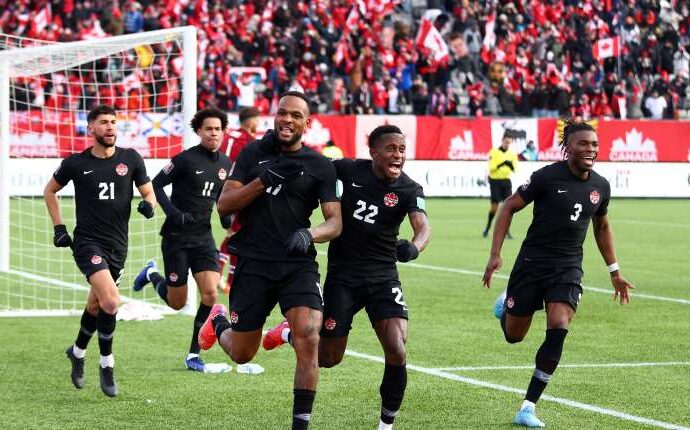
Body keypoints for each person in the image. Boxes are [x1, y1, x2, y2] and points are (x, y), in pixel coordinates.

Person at [262, 125, 431, 430]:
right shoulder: (347, 170)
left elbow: (423, 228)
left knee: (397, 348)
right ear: (374, 152)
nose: (398, 155)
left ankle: (386, 425)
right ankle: (288, 334)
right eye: (391, 149)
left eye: (402, 150)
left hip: (384, 278)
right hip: (344, 279)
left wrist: (414, 247)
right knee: (328, 358)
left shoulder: (410, 189)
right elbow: (312, 164)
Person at [197, 91, 342, 429]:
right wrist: (262, 181)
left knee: (309, 335)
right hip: (253, 263)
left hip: (297, 263)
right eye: (282, 113)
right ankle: (218, 321)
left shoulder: (319, 165)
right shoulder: (253, 153)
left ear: (307, 123)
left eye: (295, 115)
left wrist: (310, 234)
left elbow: (335, 222)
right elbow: (224, 204)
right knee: (242, 353)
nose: (287, 119)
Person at [482, 121, 635, 428]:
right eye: (583, 143)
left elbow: (602, 226)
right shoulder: (546, 177)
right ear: (568, 148)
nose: (590, 149)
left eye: (594, 144)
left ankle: (528, 407)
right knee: (514, 336)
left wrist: (614, 271)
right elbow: (509, 206)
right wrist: (495, 254)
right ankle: (506, 304)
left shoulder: (601, 186)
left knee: (559, 324)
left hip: (567, 268)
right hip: (531, 264)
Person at [43, 104, 156, 397]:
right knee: (111, 301)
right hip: (87, 243)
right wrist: (59, 227)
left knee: (96, 305)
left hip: (118, 246)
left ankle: (77, 352)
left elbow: (148, 192)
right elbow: (49, 190)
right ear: (91, 127)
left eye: (113, 122)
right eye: (104, 122)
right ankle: (107, 364)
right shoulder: (75, 163)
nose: (110, 127)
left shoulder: (131, 159)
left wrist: (149, 205)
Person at [131, 108, 233, 372]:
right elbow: (154, 185)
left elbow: (220, 196)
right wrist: (174, 214)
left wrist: (226, 218)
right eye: (208, 129)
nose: (213, 133)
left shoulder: (226, 164)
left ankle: (193, 355)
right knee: (177, 303)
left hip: (203, 239)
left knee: (210, 293)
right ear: (199, 131)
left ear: (223, 132)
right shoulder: (185, 160)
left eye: (218, 129)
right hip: (176, 239)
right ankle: (152, 274)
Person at [218, 106, 261, 293]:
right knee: (238, 235)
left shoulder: (226, 136)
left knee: (234, 233)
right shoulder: (250, 142)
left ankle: (223, 275)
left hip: (222, 190)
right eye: (257, 120)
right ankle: (226, 277)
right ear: (251, 121)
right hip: (239, 192)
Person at [483, 130, 518, 238]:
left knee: (509, 207)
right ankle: (488, 227)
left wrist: (510, 165)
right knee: (495, 206)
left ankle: (507, 231)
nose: (507, 144)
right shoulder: (493, 152)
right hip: (495, 181)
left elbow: (515, 170)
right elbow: (491, 168)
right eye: (506, 142)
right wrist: (501, 164)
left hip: (506, 181)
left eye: (509, 143)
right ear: (502, 140)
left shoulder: (512, 154)